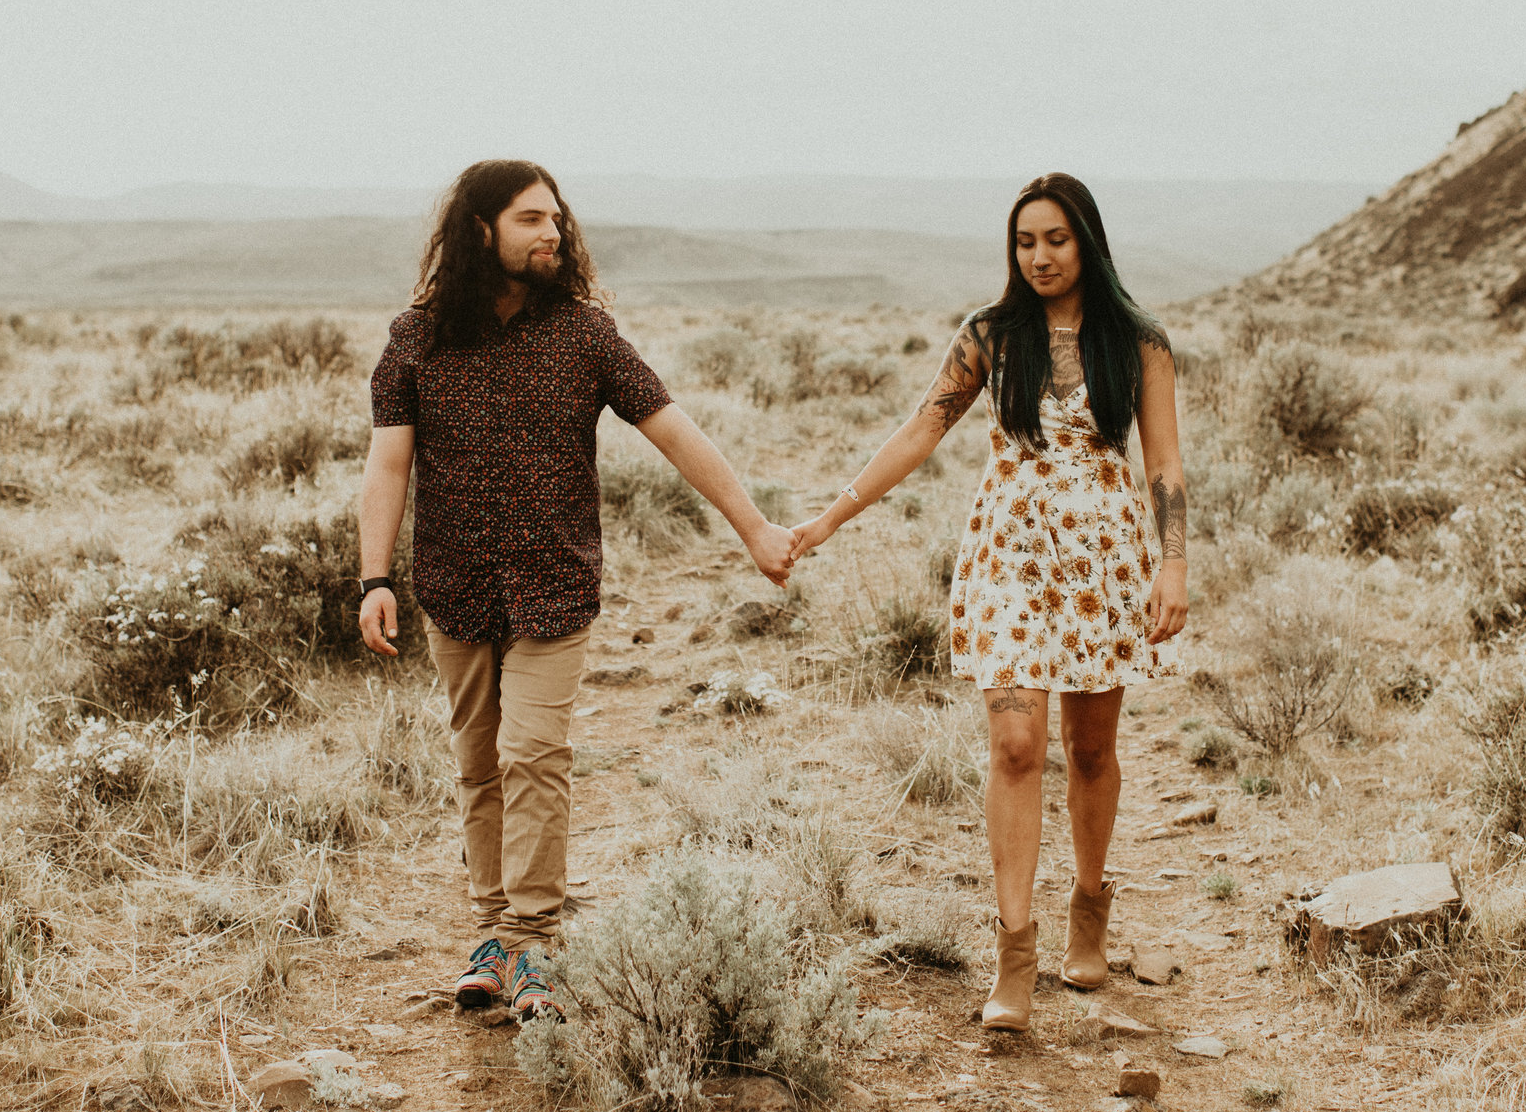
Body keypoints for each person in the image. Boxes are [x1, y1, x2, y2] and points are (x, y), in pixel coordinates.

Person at [355, 159, 796, 1022]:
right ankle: (493, 932)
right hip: (454, 585)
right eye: (529, 220)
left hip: (553, 585)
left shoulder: (586, 334)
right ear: (480, 230)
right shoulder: (418, 336)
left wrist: (753, 526)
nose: (551, 233)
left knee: (533, 756)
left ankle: (536, 940)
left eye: (555, 219)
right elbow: (388, 461)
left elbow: (674, 430)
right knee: (478, 763)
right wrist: (375, 576)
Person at [789, 173, 1186, 1033]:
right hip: (1009, 555)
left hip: (1106, 563)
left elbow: (1164, 466)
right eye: (1024, 241)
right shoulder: (990, 337)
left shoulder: (1140, 343)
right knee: (1014, 744)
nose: (1039, 256)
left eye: (1056, 240)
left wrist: (1175, 565)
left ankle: (1090, 903)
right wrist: (829, 517)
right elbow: (920, 430)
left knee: (1088, 749)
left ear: (1087, 242)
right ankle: (1015, 952)